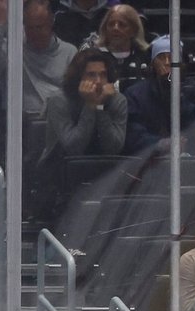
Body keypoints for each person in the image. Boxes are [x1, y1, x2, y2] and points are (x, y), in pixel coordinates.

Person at [35, 48, 127, 218]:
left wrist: (100, 108)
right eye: (91, 75)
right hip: (59, 178)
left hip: (102, 175)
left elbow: (114, 148)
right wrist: (90, 106)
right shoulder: (59, 101)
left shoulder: (118, 101)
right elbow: (73, 147)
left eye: (103, 75)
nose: (98, 81)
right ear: (78, 78)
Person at [0, 0, 77, 132]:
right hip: (20, 126)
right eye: (29, 27)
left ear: (51, 21)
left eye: (39, 27)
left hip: (58, 124)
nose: (34, 33)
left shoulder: (70, 52)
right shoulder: (14, 47)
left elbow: (74, 98)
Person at [122, 35, 195, 156]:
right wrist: (159, 144)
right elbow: (133, 134)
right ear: (153, 63)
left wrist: (178, 98)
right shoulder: (135, 94)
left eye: (172, 58)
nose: (167, 63)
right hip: (148, 162)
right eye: (161, 58)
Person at [90, 4, 150, 93]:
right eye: (111, 24)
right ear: (104, 29)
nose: (115, 28)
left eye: (122, 25)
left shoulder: (146, 57)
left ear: (134, 30)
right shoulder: (93, 57)